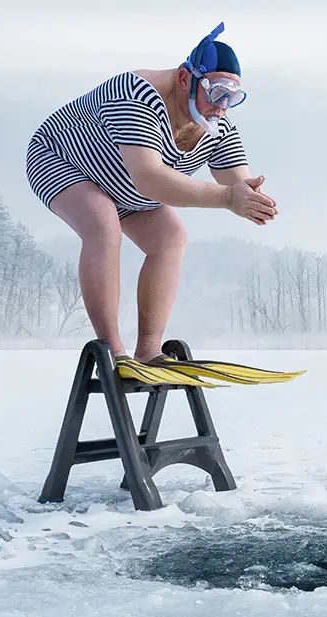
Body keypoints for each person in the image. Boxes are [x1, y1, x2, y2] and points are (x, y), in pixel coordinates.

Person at [25, 23, 277, 384]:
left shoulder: (217, 123)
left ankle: (149, 351)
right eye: (216, 92)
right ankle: (114, 352)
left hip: (125, 185)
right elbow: (151, 179)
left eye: (231, 97)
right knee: (103, 224)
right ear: (185, 79)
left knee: (171, 237)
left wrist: (250, 197)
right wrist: (226, 199)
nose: (222, 106)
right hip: (63, 159)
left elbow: (238, 183)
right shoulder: (137, 94)